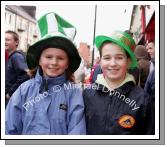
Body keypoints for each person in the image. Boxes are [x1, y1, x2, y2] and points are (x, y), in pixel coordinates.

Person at [5, 12, 86, 135]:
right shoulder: (23, 91)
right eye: (48, 57)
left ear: (68, 63)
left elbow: (77, 131)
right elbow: (10, 129)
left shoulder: (73, 93)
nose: (54, 62)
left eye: (60, 58)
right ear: (39, 60)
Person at [83, 30, 154, 135]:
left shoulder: (142, 99)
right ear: (100, 61)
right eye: (107, 58)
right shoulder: (87, 94)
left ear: (128, 62)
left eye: (119, 57)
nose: (112, 63)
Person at [5, 30, 30, 106]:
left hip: (12, 99)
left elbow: (25, 75)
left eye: (7, 40)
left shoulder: (16, 57)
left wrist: (10, 93)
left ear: (16, 42)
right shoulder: (11, 57)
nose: (4, 42)